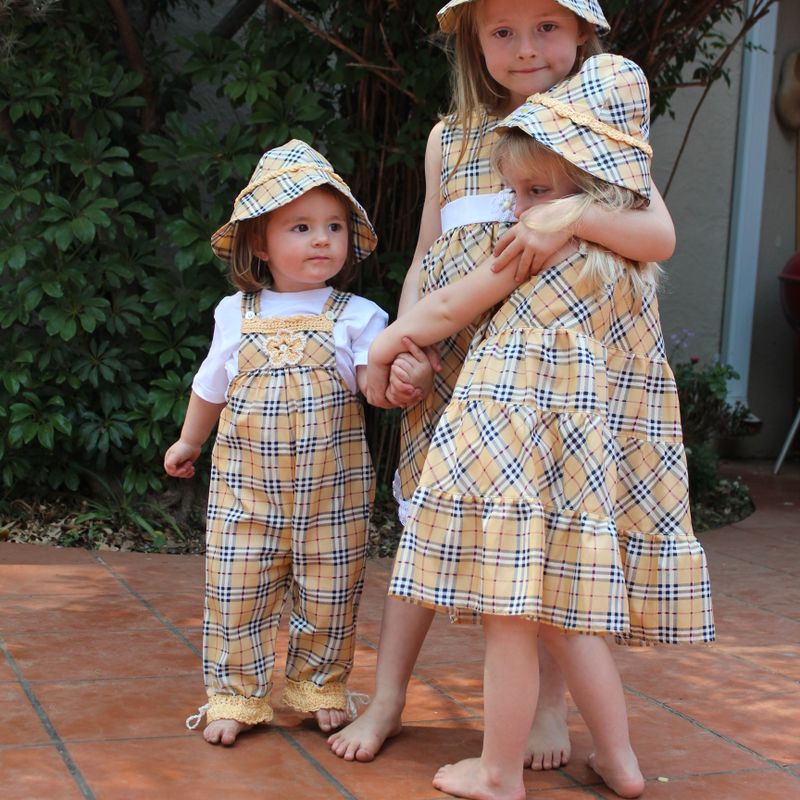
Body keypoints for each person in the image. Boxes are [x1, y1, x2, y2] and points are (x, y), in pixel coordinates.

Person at [329, 0, 676, 768]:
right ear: (474, 42)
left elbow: (656, 236)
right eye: (503, 31)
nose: (526, 48)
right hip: (455, 362)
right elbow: (428, 253)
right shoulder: (448, 140)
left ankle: (547, 713)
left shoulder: (602, 131)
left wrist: (575, 213)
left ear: (582, 35)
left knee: (542, 541)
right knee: (423, 519)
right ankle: (387, 698)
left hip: (548, 376)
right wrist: (412, 339)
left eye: (547, 27)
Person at [164, 140, 388, 746]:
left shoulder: (359, 315)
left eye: (334, 226)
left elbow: (372, 385)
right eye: (301, 227)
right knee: (236, 588)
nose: (322, 239)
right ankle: (234, 694)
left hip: (333, 497)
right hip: (246, 495)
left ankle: (319, 686)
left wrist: (395, 377)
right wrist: (189, 442)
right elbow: (210, 385)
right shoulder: (236, 313)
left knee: (331, 589)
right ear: (260, 244)